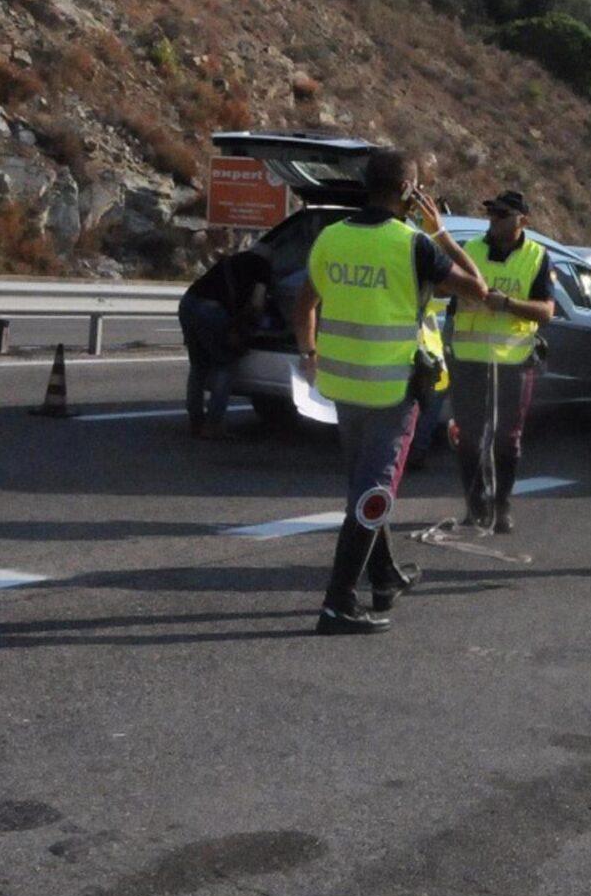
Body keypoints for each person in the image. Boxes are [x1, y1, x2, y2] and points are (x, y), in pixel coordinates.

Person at [293, 148, 488, 634]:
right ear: (409, 192)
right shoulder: (413, 245)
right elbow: (478, 289)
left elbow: (305, 303)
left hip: (341, 385)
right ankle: (338, 603)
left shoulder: (330, 238)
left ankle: (384, 575)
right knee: (373, 494)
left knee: (361, 484)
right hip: (392, 390)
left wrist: (309, 353)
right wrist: (438, 229)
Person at [444, 188, 555, 535]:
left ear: (523, 220)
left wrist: (507, 303)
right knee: (469, 438)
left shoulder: (537, 256)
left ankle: (502, 504)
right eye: (491, 214)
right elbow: (444, 294)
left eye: (503, 215)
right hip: (469, 359)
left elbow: (547, 311)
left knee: (507, 438)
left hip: (513, 361)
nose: (494, 220)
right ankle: (476, 506)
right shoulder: (471, 251)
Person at [178, 244, 272, 438]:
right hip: (211, 311)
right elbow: (256, 304)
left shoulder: (232, 260)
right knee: (225, 364)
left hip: (188, 303)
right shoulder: (263, 267)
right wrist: (250, 329)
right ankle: (213, 425)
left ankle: (196, 422)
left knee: (198, 365)